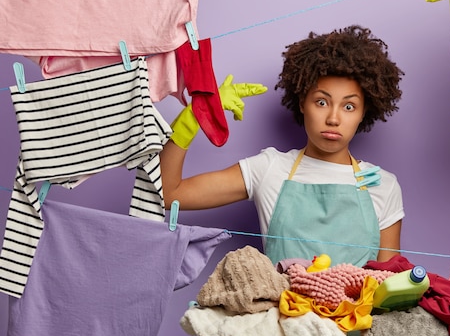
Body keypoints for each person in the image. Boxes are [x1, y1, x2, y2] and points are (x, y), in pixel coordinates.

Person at [160, 25, 405, 266]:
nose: (333, 118)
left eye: (349, 106)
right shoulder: (269, 168)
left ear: (364, 112)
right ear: (302, 103)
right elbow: (170, 194)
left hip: (359, 308)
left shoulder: (382, 184)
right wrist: (193, 117)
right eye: (321, 102)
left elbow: (389, 283)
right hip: (279, 306)